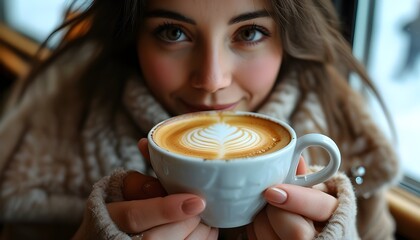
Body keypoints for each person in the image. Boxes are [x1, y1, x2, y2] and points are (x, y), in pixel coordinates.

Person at [0, 0, 400, 239]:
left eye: (250, 32)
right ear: (131, 35)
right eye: (173, 32)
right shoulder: (53, 144)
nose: (212, 80)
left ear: (290, 37)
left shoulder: (346, 141)